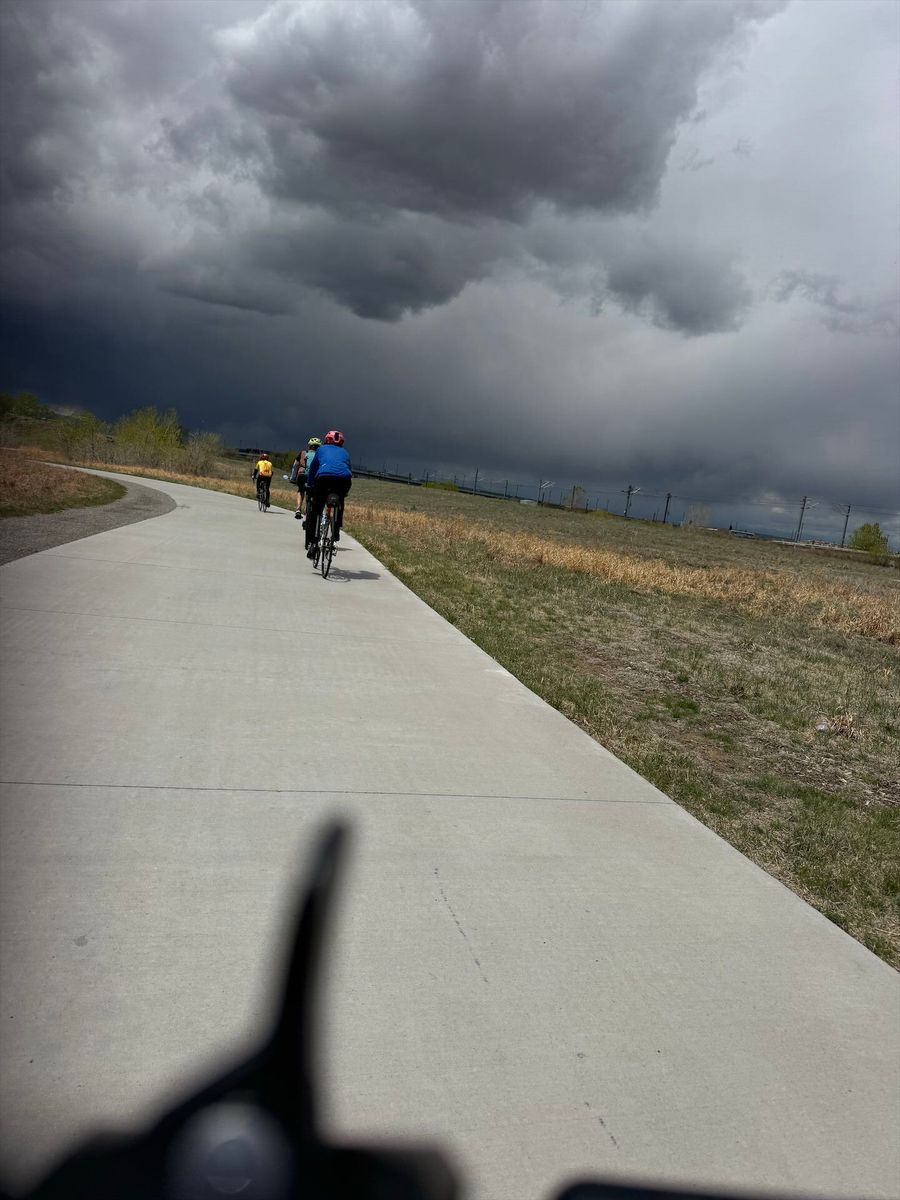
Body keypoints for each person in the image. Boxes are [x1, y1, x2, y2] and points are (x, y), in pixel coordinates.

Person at [304, 430, 352, 556]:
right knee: (340, 501)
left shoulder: (321, 450)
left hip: (324, 479)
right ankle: (336, 532)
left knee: (316, 510)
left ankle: (314, 543)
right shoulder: (345, 452)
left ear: (326, 440)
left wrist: (310, 484)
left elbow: (313, 468)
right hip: (343, 481)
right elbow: (348, 469)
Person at [291, 437, 321, 519]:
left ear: (309, 446)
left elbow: (295, 466)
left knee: (301, 490)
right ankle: (313, 511)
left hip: (302, 475)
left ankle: (298, 509)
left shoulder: (303, 453)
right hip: (315, 477)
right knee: (315, 492)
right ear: (319, 447)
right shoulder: (320, 455)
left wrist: (293, 478)